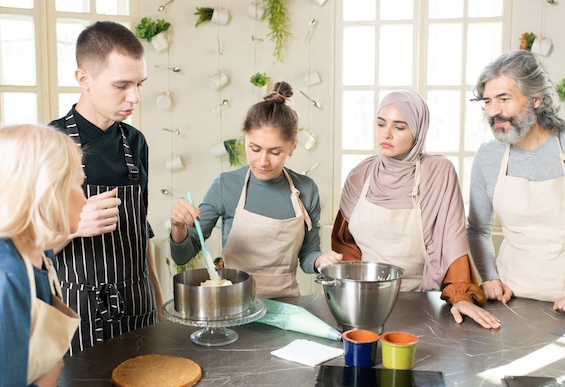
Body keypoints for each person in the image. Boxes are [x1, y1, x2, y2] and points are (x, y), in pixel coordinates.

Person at [332, 90, 501, 329]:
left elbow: (452, 241)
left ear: (418, 131)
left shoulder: (437, 171)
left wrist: (461, 296)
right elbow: (345, 244)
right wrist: (353, 291)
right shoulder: (360, 174)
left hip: (420, 301)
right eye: (381, 124)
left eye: (399, 127)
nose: (386, 134)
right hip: (364, 302)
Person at [49, 21, 163, 355]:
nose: (135, 97)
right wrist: (73, 228)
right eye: (122, 85)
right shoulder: (51, 144)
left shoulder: (135, 142)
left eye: (139, 84)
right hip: (76, 310)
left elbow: (141, 228)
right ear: (83, 78)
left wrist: (156, 296)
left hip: (137, 303)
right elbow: (22, 248)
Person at [467, 50, 565, 316]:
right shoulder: (488, 156)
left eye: (504, 99)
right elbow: (477, 229)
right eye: (487, 101)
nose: (493, 111)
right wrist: (489, 277)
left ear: (537, 99)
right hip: (508, 304)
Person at [170, 81, 343, 298]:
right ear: (245, 141)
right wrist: (178, 227)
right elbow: (184, 255)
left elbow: (308, 254)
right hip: (233, 304)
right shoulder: (226, 186)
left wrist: (321, 261)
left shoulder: (306, 189)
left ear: (293, 147)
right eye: (255, 149)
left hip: (287, 304)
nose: (263, 161)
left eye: (275, 152)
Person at [0, 124, 86, 387]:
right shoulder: (1, 274)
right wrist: (47, 383)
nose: (85, 199)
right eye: (77, 185)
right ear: (47, 192)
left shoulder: (38, 252)